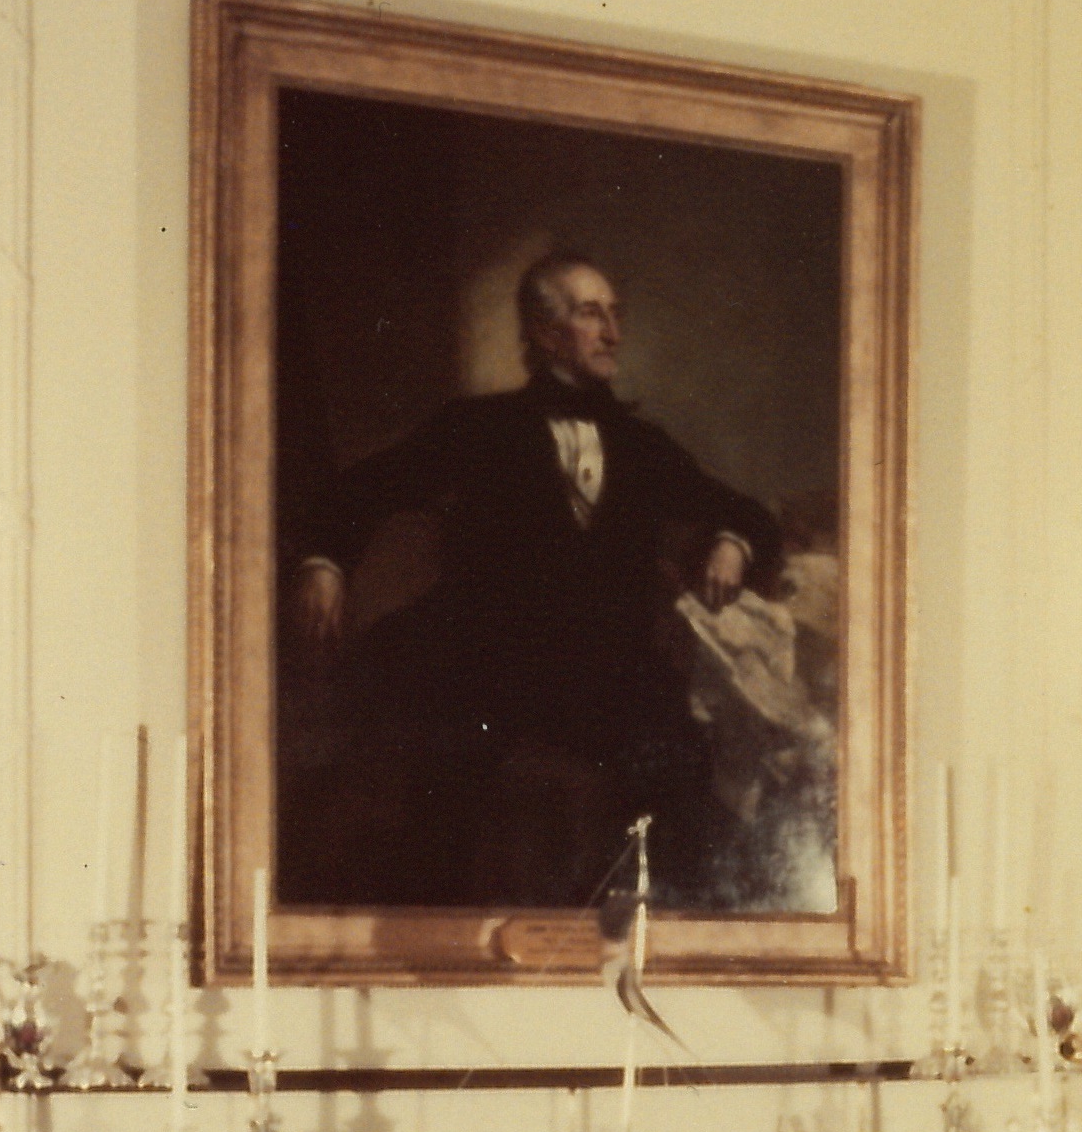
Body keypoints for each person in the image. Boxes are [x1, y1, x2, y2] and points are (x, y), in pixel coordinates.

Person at [282, 247, 794, 911]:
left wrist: (731, 541)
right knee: (442, 777)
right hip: (486, 656)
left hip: (605, 666)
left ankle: (666, 948)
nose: (612, 331)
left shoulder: (641, 445)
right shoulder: (477, 428)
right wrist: (323, 563)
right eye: (590, 314)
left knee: (681, 763)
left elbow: (742, 509)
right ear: (544, 330)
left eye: (615, 313)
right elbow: (356, 492)